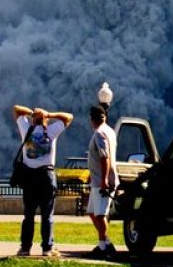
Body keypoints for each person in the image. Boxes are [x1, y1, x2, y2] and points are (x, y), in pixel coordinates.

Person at [13, 105, 73, 257]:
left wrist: (33, 113)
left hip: (29, 178)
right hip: (46, 176)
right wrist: (49, 114)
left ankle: (25, 248)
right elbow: (69, 117)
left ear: (33, 120)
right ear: (45, 120)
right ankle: (47, 248)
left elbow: (16, 109)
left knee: (29, 216)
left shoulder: (27, 129)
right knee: (47, 215)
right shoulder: (51, 131)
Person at [86, 105, 119, 257]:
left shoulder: (100, 133)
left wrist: (104, 180)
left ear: (92, 120)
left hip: (102, 181)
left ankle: (103, 248)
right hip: (97, 179)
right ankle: (106, 242)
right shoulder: (110, 131)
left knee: (100, 215)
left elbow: (104, 157)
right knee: (92, 212)